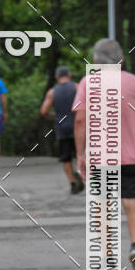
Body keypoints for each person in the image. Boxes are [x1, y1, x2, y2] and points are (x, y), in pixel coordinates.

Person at [72, 39, 135, 270]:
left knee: (103, 207)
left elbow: (80, 121)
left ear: (95, 61)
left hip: (100, 155)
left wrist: (81, 153)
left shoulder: (88, 83)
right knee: (131, 202)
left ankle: (108, 258)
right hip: (132, 154)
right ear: (122, 60)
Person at [40, 66, 84, 194]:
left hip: (62, 127)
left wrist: (55, 116)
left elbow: (43, 111)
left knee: (66, 158)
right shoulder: (77, 87)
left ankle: (72, 183)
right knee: (82, 154)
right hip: (78, 126)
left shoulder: (52, 92)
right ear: (69, 75)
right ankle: (83, 176)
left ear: (56, 77)